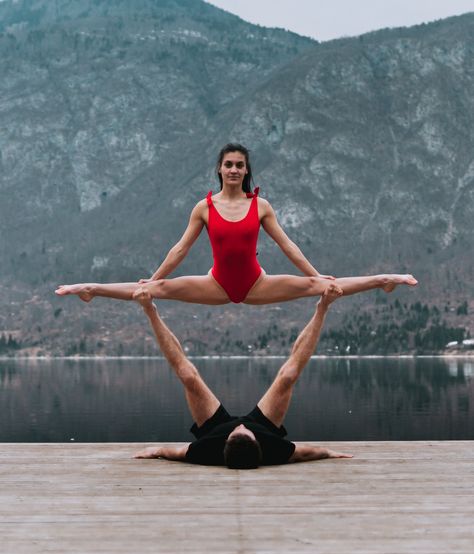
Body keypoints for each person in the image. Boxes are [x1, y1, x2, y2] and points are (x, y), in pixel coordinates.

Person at [55, 143, 417, 305]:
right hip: (215, 285)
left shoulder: (260, 205)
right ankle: (91, 288)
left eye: (239, 165)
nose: (233, 169)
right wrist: (154, 277)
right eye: (228, 164)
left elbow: (287, 245)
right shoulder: (204, 206)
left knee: (318, 286)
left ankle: (384, 280)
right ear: (219, 168)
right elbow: (180, 248)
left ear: (246, 170)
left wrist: (317, 274)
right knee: (153, 290)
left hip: (257, 284)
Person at [133, 283, 352, 468]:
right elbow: (309, 453)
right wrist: (330, 452)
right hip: (265, 428)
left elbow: (171, 452)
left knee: (188, 376)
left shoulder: (203, 451)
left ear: (226, 440)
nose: (241, 425)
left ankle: (149, 309)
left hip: (213, 429)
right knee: (289, 375)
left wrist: (156, 450)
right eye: (244, 430)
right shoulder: (277, 450)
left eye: (238, 430)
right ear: (257, 441)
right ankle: (323, 306)